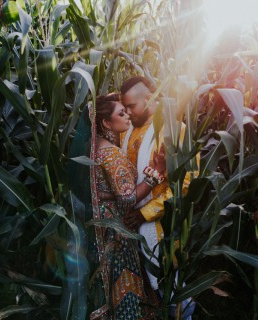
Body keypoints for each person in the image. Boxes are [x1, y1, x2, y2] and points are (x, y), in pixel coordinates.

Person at [120, 76, 196, 319]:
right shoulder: (127, 131)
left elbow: (185, 184)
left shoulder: (175, 130)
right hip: (131, 225)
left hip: (163, 229)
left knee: (169, 289)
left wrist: (144, 213)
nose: (127, 112)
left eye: (131, 106)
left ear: (149, 99)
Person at [87, 93, 164, 320]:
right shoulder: (111, 154)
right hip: (115, 231)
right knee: (124, 282)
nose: (128, 116)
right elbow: (128, 198)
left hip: (101, 224)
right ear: (106, 123)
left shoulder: (95, 147)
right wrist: (155, 176)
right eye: (121, 113)